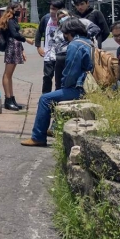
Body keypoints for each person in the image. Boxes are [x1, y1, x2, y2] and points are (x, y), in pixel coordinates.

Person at [21, 18, 94, 147]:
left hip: (79, 88)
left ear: (69, 32)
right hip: (89, 86)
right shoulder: (88, 42)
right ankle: (52, 129)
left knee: (45, 99)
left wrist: (64, 86)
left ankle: (38, 137)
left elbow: (71, 71)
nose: (64, 36)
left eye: (65, 33)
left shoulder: (75, 45)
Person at [0, 2, 34, 111]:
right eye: (18, 9)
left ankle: (11, 98)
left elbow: (16, 35)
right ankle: (8, 99)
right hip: (11, 48)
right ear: (12, 9)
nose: (19, 11)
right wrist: (27, 39)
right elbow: (15, 34)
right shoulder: (10, 20)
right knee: (7, 74)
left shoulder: (13, 20)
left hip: (15, 47)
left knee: (9, 74)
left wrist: (22, 50)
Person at [52, 9, 100, 88]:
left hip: (74, 52)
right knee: (59, 82)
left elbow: (96, 29)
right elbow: (55, 43)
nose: (62, 19)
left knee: (73, 75)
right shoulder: (59, 28)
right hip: (60, 56)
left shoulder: (80, 22)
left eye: (64, 16)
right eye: (59, 18)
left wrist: (81, 38)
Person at [34, 0, 65, 94]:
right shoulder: (46, 18)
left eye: (54, 9)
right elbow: (39, 32)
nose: (52, 11)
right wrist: (38, 46)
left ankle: (59, 97)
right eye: (51, 8)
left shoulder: (66, 20)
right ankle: (45, 97)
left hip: (62, 54)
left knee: (59, 78)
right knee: (47, 76)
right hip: (48, 54)